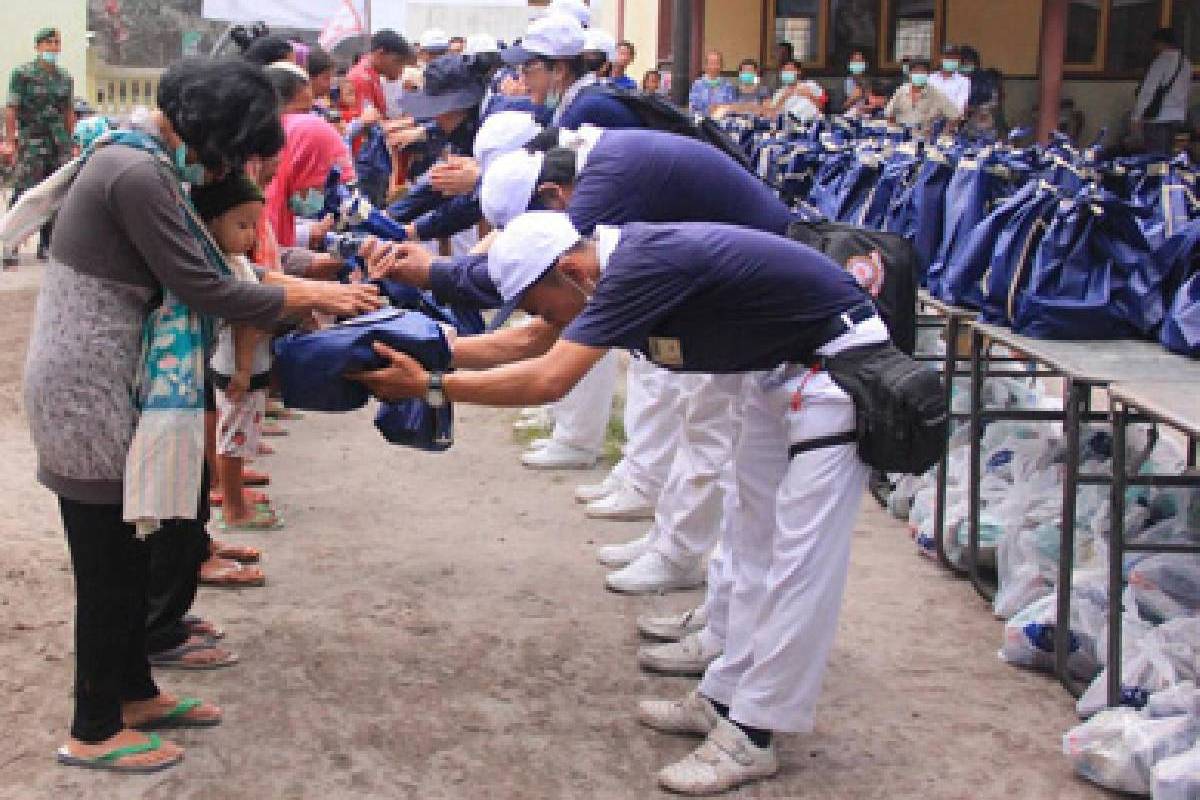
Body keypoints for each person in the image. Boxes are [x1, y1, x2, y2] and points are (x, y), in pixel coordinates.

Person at [350, 211, 887, 795]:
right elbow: (537, 339)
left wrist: (430, 387)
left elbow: (547, 379)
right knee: (749, 532)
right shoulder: (601, 272)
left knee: (800, 563)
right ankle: (724, 694)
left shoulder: (636, 268)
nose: (540, 318)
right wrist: (433, 355)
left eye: (540, 301)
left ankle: (755, 732)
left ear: (571, 270)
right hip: (777, 370)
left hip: (837, 374)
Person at [21, 56, 380, 775]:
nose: (238, 163)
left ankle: (132, 693)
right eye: (239, 146)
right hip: (90, 388)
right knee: (108, 568)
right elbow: (204, 283)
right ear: (211, 130)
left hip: (113, 380)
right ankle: (93, 726)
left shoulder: (150, 164)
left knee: (130, 552)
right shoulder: (138, 174)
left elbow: (210, 272)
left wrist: (299, 294)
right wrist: (310, 300)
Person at [192, 173, 282, 532]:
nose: (251, 235)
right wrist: (244, 372)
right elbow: (246, 325)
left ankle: (234, 492)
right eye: (241, 225)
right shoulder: (227, 268)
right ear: (213, 224)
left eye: (254, 225)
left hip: (239, 365)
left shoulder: (233, 261)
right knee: (234, 438)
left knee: (237, 434)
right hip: (238, 368)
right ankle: (233, 506)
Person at [3, 27, 75, 267]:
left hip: (59, 144)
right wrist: (10, 141)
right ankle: (8, 244)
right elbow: (11, 109)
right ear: (38, 47)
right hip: (32, 142)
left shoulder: (65, 78)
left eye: (56, 43)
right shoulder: (22, 74)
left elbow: (68, 112)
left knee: (54, 194)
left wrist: (73, 141)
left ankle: (47, 245)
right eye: (48, 43)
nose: (53, 48)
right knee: (24, 192)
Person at [501, 13, 642, 130]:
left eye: (526, 68)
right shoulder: (575, 98)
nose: (521, 78)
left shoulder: (586, 109)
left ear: (559, 70)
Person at [264, 112, 355, 250]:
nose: (321, 191)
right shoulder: (258, 210)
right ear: (302, 165)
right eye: (320, 180)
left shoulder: (279, 199)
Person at [1133, 28, 1192, 155]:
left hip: (1158, 118)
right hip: (1178, 117)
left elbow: (1148, 90)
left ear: (1161, 43)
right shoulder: (1186, 63)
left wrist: (1137, 116)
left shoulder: (1162, 61)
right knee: (1174, 158)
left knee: (1156, 159)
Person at [884, 59, 961, 138]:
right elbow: (889, 113)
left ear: (928, 74)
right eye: (916, 71)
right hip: (900, 137)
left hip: (924, 139)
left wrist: (946, 133)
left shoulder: (936, 94)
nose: (919, 74)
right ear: (910, 74)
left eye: (922, 72)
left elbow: (955, 116)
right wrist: (894, 130)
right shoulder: (901, 91)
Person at [960, 45, 1004, 139]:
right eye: (963, 63)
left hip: (980, 124)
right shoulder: (955, 79)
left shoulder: (986, 79)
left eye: (968, 62)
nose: (965, 65)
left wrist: (975, 108)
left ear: (975, 63)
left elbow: (994, 101)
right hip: (957, 124)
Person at [688, 50, 735, 116]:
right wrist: (707, 110)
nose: (714, 66)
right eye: (711, 63)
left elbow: (732, 108)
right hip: (702, 123)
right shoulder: (697, 85)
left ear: (721, 66)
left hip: (722, 123)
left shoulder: (728, 85)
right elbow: (692, 107)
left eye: (717, 63)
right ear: (706, 65)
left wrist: (720, 109)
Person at [928, 43, 970, 116]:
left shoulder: (963, 81)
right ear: (940, 59)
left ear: (958, 60)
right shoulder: (930, 79)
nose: (951, 60)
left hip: (952, 121)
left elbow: (961, 106)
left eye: (954, 58)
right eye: (948, 57)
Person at [842, 49, 871, 115]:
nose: (858, 64)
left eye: (860, 61)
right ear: (850, 64)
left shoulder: (867, 82)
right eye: (856, 61)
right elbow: (839, 108)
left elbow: (871, 101)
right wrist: (853, 99)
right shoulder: (844, 82)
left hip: (866, 117)